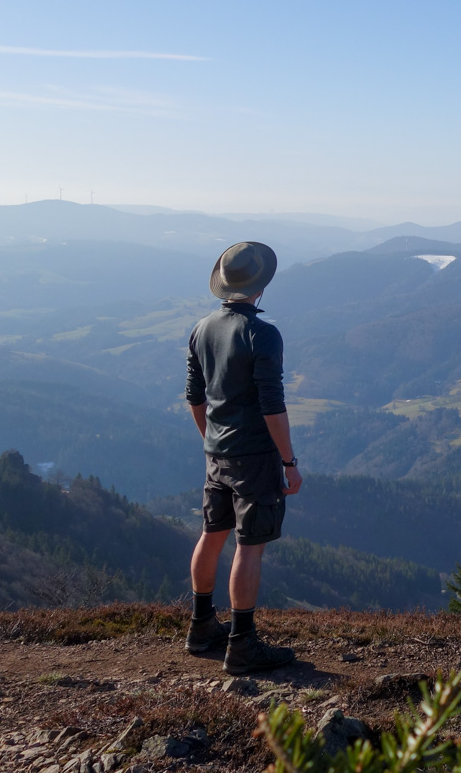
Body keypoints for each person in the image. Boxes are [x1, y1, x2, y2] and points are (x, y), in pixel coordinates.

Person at [183, 241, 303, 675]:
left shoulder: (201, 328)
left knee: (212, 534)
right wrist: (288, 462)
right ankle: (243, 643)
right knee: (249, 547)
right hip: (255, 456)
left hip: (217, 452)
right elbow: (272, 405)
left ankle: (200, 628)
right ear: (261, 287)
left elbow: (195, 397)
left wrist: (211, 439)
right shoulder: (262, 334)